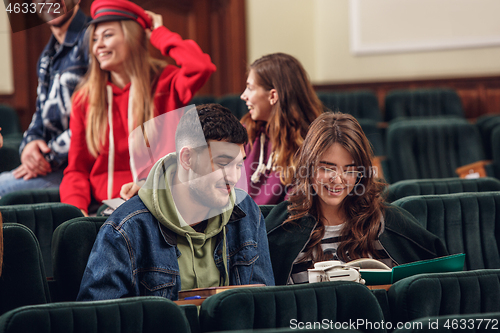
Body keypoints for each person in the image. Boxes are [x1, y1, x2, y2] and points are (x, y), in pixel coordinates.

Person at [77, 104, 275, 301]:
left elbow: (265, 306)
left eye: (239, 165)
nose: (233, 177)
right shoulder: (125, 230)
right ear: (187, 159)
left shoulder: (247, 211)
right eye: (223, 164)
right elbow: (98, 321)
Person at [59, 0, 216, 215]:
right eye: (94, 39)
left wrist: (159, 33)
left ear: (132, 37)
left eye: (107, 35)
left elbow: (201, 66)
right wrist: (76, 211)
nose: (98, 46)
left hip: (162, 204)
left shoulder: (165, 83)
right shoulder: (84, 99)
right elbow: (76, 170)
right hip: (104, 210)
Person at [266, 112, 448, 285]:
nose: (337, 179)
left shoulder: (389, 223)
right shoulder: (281, 229)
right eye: (327, 168)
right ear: (308, 167)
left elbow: (440, 281)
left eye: (349, 170)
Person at [0, 0, 89, 197]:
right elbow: (39, 114)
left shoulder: (93, 41)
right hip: (52, 167)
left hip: (78, 170)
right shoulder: (47, 55)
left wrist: (46, 157)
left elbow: (97, 121)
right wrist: (29, 145)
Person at [240, 53, 323, 205]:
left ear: (273, 96)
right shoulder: (244, 134)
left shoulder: (309, 146)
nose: (243, 96)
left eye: (250, 88)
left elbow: (291, 212)